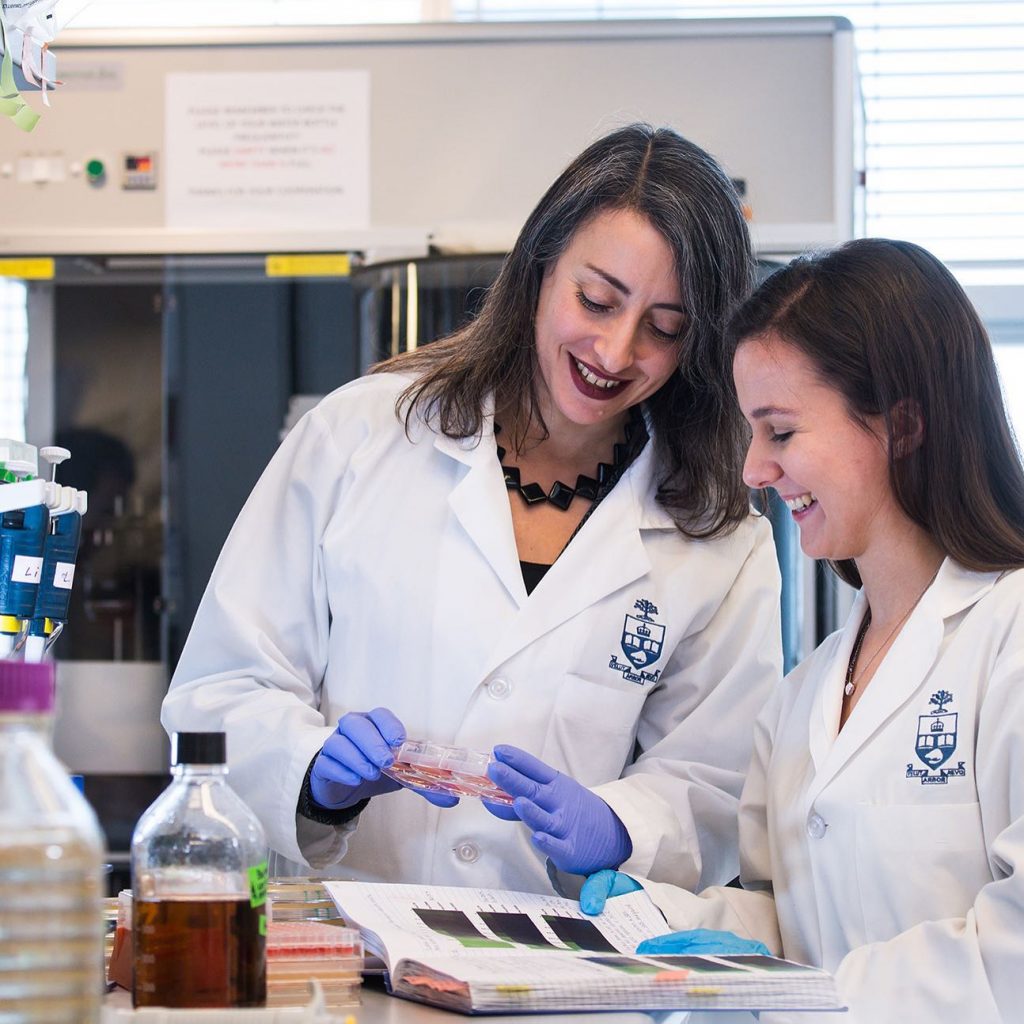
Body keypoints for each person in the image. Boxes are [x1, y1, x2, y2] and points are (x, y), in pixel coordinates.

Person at [162, 123, 782, 893]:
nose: (616, 352)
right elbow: (219, 690)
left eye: (663, 330)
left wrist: (623, 825)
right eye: (595, 300)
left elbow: (714, 786)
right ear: (539, 268)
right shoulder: (362, 436)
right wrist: (310, 772)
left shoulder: (719, 540)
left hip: (557, 979)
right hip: (346, 958)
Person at [580, 238, 1024, 1022]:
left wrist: (803, 994)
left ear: (903, 424)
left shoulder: (1009, 636)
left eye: (780, 432)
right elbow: (787, 922)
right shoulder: (807, 693)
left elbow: (1012, 955)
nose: (754, 470)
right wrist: (664, 922)